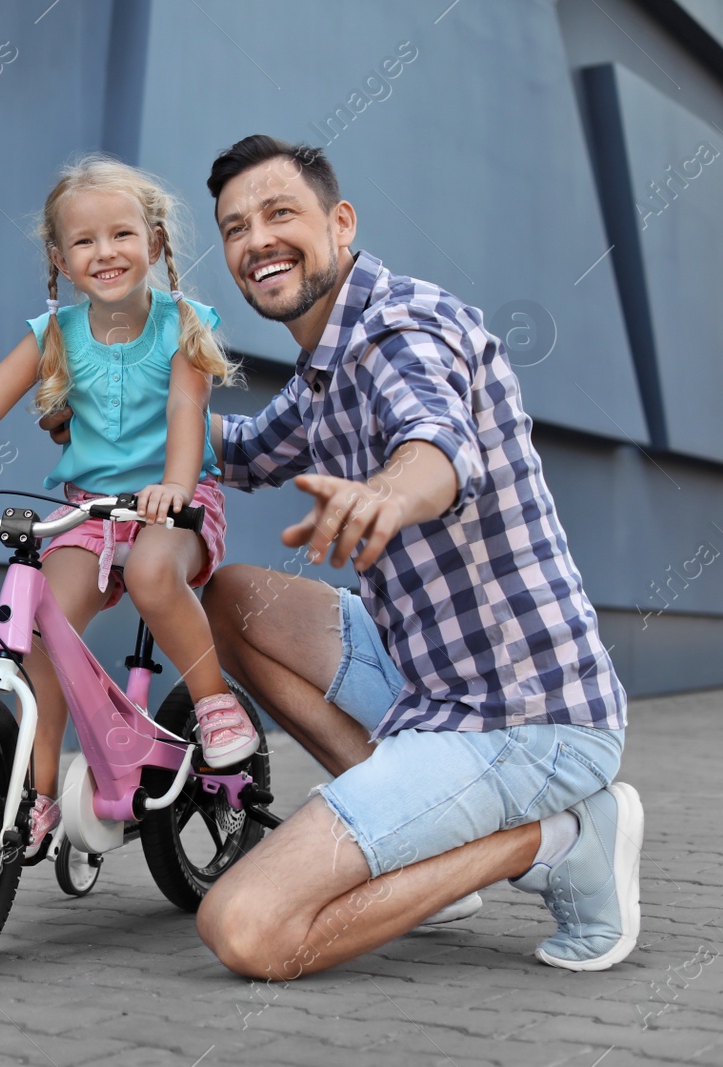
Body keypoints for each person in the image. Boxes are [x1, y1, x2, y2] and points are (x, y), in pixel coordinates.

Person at [45, 134, 637, 976]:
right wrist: (122, 414)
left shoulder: (400, 331)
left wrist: (389, 493)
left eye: (280, 213)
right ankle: (418, 841)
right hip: (429, 677)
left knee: (248, 929)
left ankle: (554, 839)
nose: (257, 241)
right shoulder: (323, 367)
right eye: (237, 227)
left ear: (341, 221)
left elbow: (437, 440)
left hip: (526, 718)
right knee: (232, 598)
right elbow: (244, 450)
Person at [0, 155, 260, 855]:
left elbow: (184, 407)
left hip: (179, 504)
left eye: (121, 235)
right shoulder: (54, 334)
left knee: (149, 573)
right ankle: (37, 792)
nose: (104, 252)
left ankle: (214, 703)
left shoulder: (184, 324)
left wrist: (173, 484)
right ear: (60, 257)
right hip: (89, 510)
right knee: (43, 634)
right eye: (84, 242)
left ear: (156, 244)